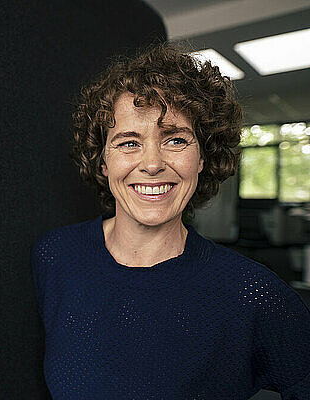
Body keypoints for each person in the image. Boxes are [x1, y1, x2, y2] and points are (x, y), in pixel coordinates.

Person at [30, 43, 310, 399]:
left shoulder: (250, 292)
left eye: (175, 140)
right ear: (103, 163)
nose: (151, 163)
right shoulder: (54, 256)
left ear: (202, 159)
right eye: (128, 143)